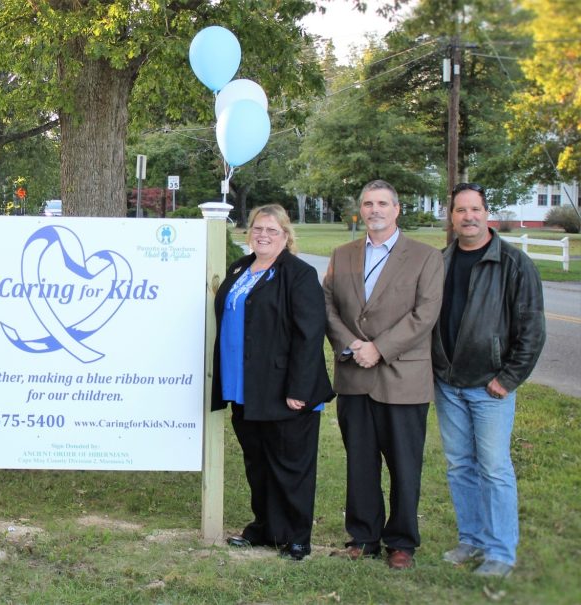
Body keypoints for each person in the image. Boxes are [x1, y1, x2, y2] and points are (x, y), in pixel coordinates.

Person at [323, 179, 444, 570]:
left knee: (404, 465)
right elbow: (326, 306)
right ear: (361, 210)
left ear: (397, 209)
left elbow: (425, 315)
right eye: (367, 203)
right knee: (359, 462)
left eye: (382, 203)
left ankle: (402, 542)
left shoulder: (426, 257)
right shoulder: (343, 255)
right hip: (354, 375)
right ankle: (363, 536)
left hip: (402, 377)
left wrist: (380, 348)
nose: (374, 210)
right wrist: (353, 344)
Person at [432, 183, 545, 578]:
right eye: (461, 210)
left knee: (494, 468)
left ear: (487, 212)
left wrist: (508, 378)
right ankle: (472, 539)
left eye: (475, 209)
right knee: (460, 465)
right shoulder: (441, 261)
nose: (468, 217)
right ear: (452, 216)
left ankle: (500, 551)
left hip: (489, 385)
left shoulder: (513, 264)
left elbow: (532, 330)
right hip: (448, 382)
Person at [211, 204, 334, 562]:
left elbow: (310, 335)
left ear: (285, 235)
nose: (263, 235)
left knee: (289, 466)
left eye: (272, 230)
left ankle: (295, 537)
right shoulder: (239, 269)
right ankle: (264, 528)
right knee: (258, 464)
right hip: (244, 387)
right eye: (258, 228)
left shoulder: (298, 274)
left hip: (285, 390)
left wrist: (299, 388)